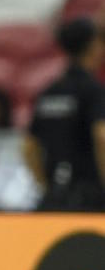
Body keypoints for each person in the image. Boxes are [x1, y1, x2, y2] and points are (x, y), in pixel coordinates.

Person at [24, 16, 105, 211]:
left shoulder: (48, 92)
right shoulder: (93, 90)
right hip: (89, 197)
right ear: (92, 47)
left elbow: (28, 146)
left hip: (54, 196)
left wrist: (44, 185)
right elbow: (101, 137)